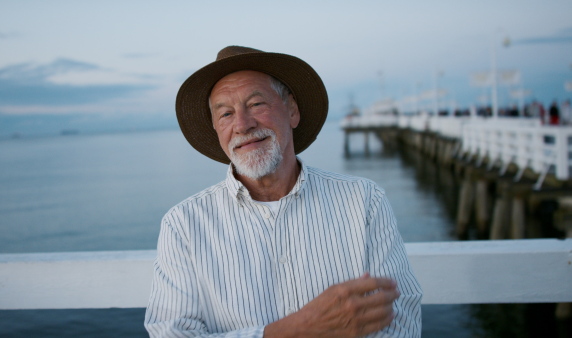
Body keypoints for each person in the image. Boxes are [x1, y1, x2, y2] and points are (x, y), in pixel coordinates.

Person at [145, 46, 423, 337]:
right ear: (216, 128)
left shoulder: (364, 201)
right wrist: (294, 331)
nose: (243, 124)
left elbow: (399, 322)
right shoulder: (184, 225)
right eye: (226, 113)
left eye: (256, 105)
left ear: (292, 111)